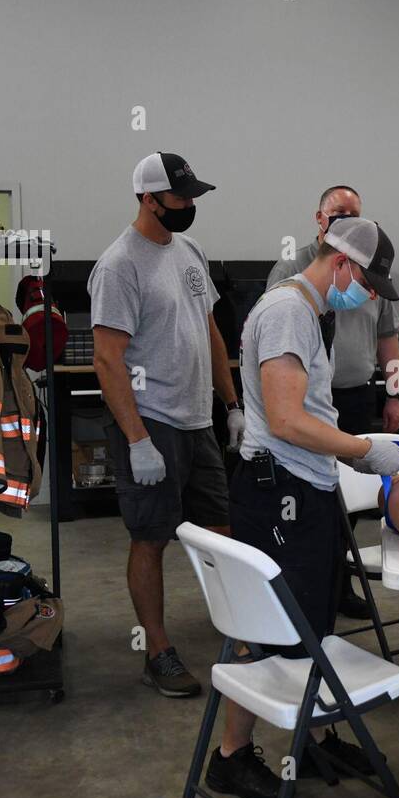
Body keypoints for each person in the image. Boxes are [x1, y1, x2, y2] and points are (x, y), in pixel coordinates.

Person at [205, 217, 399, 798]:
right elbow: (289, 418)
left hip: (299, 489)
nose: (368, 297)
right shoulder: (290, 311)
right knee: (270, 628)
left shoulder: (304, 309)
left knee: (309, 625)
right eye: (368, 284)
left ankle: (312, 738)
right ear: (342, 263)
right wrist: (362, 450)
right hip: (282, 495)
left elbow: (301, 409)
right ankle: (231, 757)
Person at [90, 152, 245, 698]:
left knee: (222, 533)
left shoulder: (190, 250)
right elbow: (107, 359)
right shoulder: (118, 265)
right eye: (181, 198)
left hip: (198, 418)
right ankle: (158, 650)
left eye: (193, 196)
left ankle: (243, 632)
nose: (190, 206)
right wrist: (137, 441)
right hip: (150, 422)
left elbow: (210, 330)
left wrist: (232, 405)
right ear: (148, 199)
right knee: (152, 538)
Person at [267, 185, 399, 619]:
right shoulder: (292, 277)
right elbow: (281, 399)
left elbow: (388, 339)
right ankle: (301, 595)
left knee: (345, 502)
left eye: (355, 214)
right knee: (308, 499)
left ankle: (338, 584)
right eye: (338, 213)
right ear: (320, 219)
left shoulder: (367, 276)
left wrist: (394, 392)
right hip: (303, 406)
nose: (347, 220)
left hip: (354, 394)